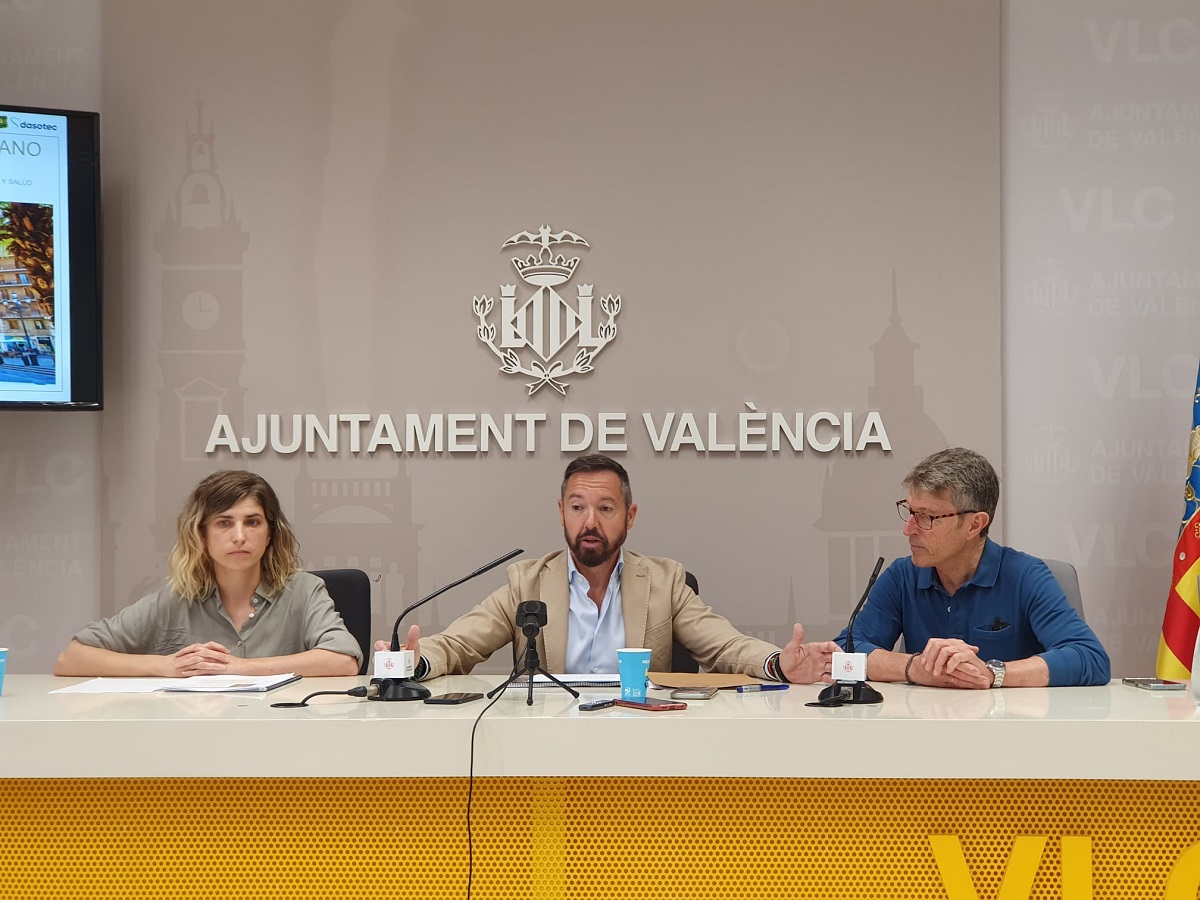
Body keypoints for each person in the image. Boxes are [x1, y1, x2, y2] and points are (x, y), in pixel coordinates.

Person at [377, 454, 837, 683]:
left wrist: (778, 664)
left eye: (606, 508)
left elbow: (726, 647)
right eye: (577, 507)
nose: (590, 522)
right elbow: (460, 643)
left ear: (630, 517)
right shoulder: (527, 583)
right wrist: (415, 663)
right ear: (561, 513)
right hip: (545, 751)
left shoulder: (664, 581)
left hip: (638, 747)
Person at [835, 447, 1110, 688]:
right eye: (910, 513)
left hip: (1013, 734)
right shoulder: (902, 577)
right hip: (927, 731)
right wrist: (913, 668)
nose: (909, 530)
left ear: (975, 524)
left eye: (926, 517)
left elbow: (1090, 658)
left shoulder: (1026, 576)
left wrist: (992, 673)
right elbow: (845, 652)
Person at [54, 470, 361, 677]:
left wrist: (237, 667)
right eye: (224, 523)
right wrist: (167, 665)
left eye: (252, 522)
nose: (239, 536)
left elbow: (343, 661)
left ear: (270, 534)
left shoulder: (304, 590)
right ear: (202, 535)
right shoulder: (176, 599)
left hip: (282, 744)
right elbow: (71, 658)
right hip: (197, 751)